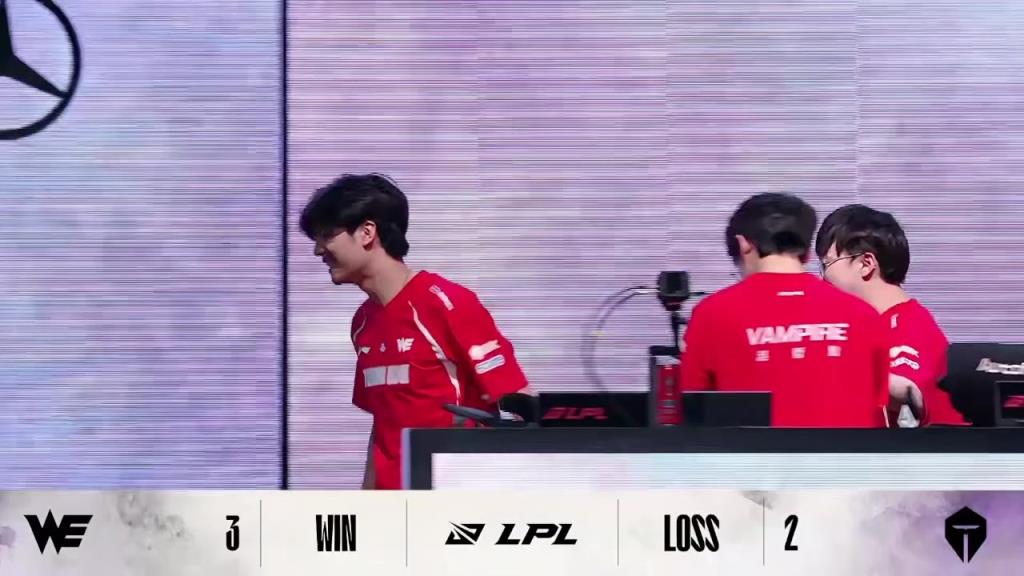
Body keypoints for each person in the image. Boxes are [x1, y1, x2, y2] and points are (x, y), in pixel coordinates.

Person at [300, 173, 531, 489]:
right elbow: (383, 424)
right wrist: (365, 501)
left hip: (452, 501)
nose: (318, 250)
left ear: (367, 232)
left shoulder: (446, 303)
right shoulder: (362, 323)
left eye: (327, 235)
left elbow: (519, 405)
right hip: (394, 506)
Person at [680, 193, 889, 427]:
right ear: (806, 252)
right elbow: (878, 409)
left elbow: (691, 415)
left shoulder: (711, 314)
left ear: (744, 245)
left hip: (748, 451)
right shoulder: (863, 314)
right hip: (850, 451)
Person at [816, 204, 966, 427]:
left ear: (866, 264)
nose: (821, 278)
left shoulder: (908, 324)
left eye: (826, 264)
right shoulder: (876, 325)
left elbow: (906, 390)